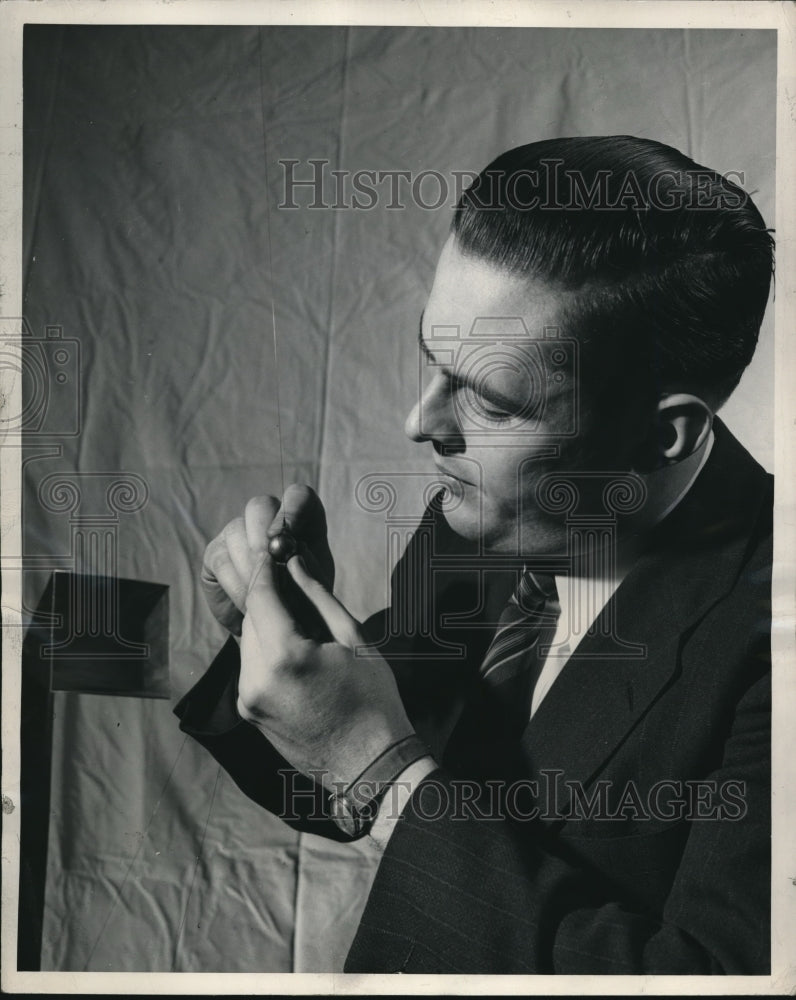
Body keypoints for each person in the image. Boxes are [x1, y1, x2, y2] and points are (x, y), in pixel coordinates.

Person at [174, 136, 774, 974]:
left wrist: (380, 773)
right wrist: (290, 650)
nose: (421, 422)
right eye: (433, 361)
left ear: (663, 434)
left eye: (490, 398)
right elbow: (350, 789)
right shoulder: (486, 524)